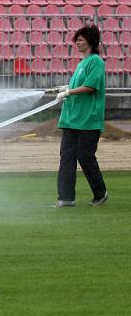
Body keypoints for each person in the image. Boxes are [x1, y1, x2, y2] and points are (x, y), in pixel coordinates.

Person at [51, 24, 108, 208]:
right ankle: (65, 198)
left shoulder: (96, 62)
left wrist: (69, 93)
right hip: (71, 119)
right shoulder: (81, 64)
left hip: (88, 120)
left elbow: (90, 87)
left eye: (80, 39)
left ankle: (100, 193)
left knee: (85, 156)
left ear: (90, 41)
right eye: (76, 39)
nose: (77, 42)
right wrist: (67, 88)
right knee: (66, 157)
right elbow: (79, 86)